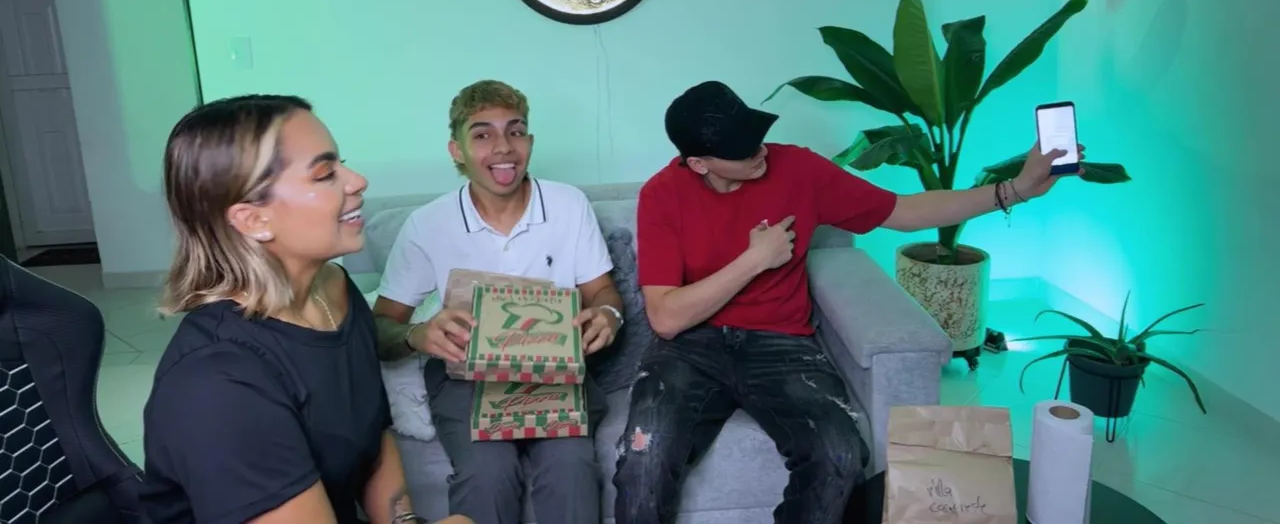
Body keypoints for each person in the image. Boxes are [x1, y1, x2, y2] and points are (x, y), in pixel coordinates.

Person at [612, 81, 1085, 524]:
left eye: (756, 135)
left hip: (780, 344)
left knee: (839, 455)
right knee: (642, 462)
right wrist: (754, 261)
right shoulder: (662, 195)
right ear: (699, 163)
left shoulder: (799, 169)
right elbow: (666, 318)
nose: (759, 150)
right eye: (742, 149)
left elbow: (904, 211)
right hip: (691, 348)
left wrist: (1015, 190)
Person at [140, 95, 433, 524]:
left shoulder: (334, 289)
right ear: (254, 220)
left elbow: (373, 438)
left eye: (341, 164)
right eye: (325, 173)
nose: (358, 181)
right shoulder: (217, 383)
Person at [372, 80, 623, 524]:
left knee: (571, 468)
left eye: (516, 131)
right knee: (488, 474)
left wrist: (609, 314)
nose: (504, 147)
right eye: (483, 134)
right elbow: (379, 328)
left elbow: (603, 292)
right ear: (457, 150)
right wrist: (417, 335)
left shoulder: (568, 204)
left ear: (530, 141)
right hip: (465, 379)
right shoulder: (427, 224)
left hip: (555, 374)